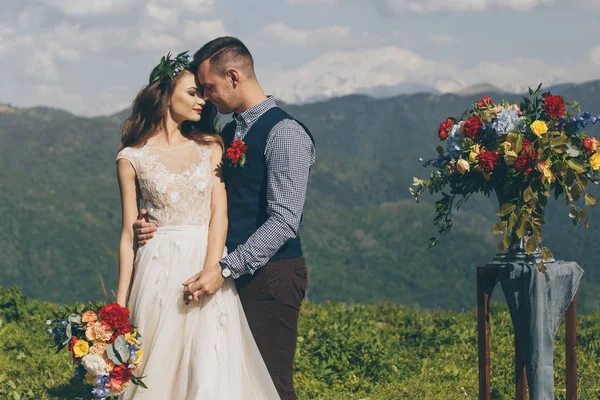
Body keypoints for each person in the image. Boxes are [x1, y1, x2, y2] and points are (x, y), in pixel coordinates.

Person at [134, 37, 316, 400]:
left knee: (271, 386)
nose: (206, 96)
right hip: (231, 274)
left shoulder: (285, 134)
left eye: (210, 87)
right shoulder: (231, 132)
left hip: (271, 277)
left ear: (234, 76)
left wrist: (225, 268)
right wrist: (154, 216)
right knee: (235, 382)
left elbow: (283, 221)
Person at [115, 51, 279, 399]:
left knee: (209, 364)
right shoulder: (132, 156)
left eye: (203, 93)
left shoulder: (211, 146)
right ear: (165, 94)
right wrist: (119, 304)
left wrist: (212, 269)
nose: (203, 101)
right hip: (156, 266)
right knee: (156, 364)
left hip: (205, 258)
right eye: (193, 93)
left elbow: (220, 213)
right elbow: (129, 234)